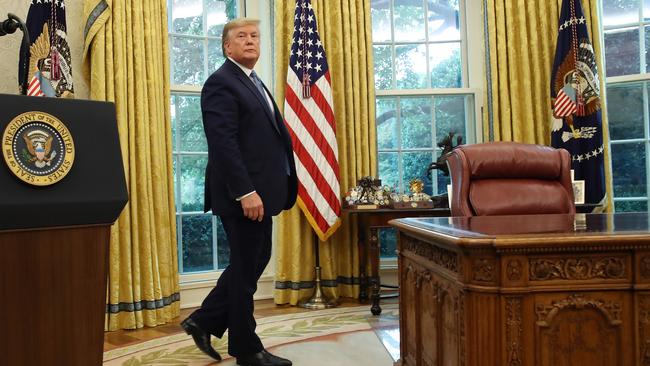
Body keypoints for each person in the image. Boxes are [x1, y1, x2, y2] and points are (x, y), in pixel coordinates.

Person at [180, 18, 297, 366]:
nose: (250, 41)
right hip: (243, 195)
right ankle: (247, 350)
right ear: (227, 47)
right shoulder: (221, 83)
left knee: (253, 262)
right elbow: (223, 143)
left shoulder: (253, 81)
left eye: (255, 36)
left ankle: (203, 320)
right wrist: (245, 191)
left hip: (263, 192)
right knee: (246, 271)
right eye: (241, 37)